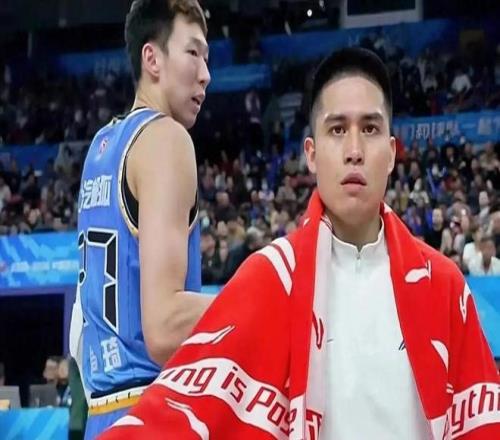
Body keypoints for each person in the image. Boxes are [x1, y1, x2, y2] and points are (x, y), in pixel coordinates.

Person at [100, 48, 500, 439]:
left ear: (393, 153)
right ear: (311, 153)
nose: (355, 151)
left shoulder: (443, 287)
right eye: (337, 130)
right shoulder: (269, 279)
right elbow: (174, 417)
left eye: (370, 129)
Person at [69, 0, 212, 437]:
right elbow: (164, 326)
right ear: (152, 59)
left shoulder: (102, 147)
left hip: (103, 415)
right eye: (193, 53)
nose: (206, 74)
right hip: (153, 411)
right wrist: (262, 299)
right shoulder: (166, 138)